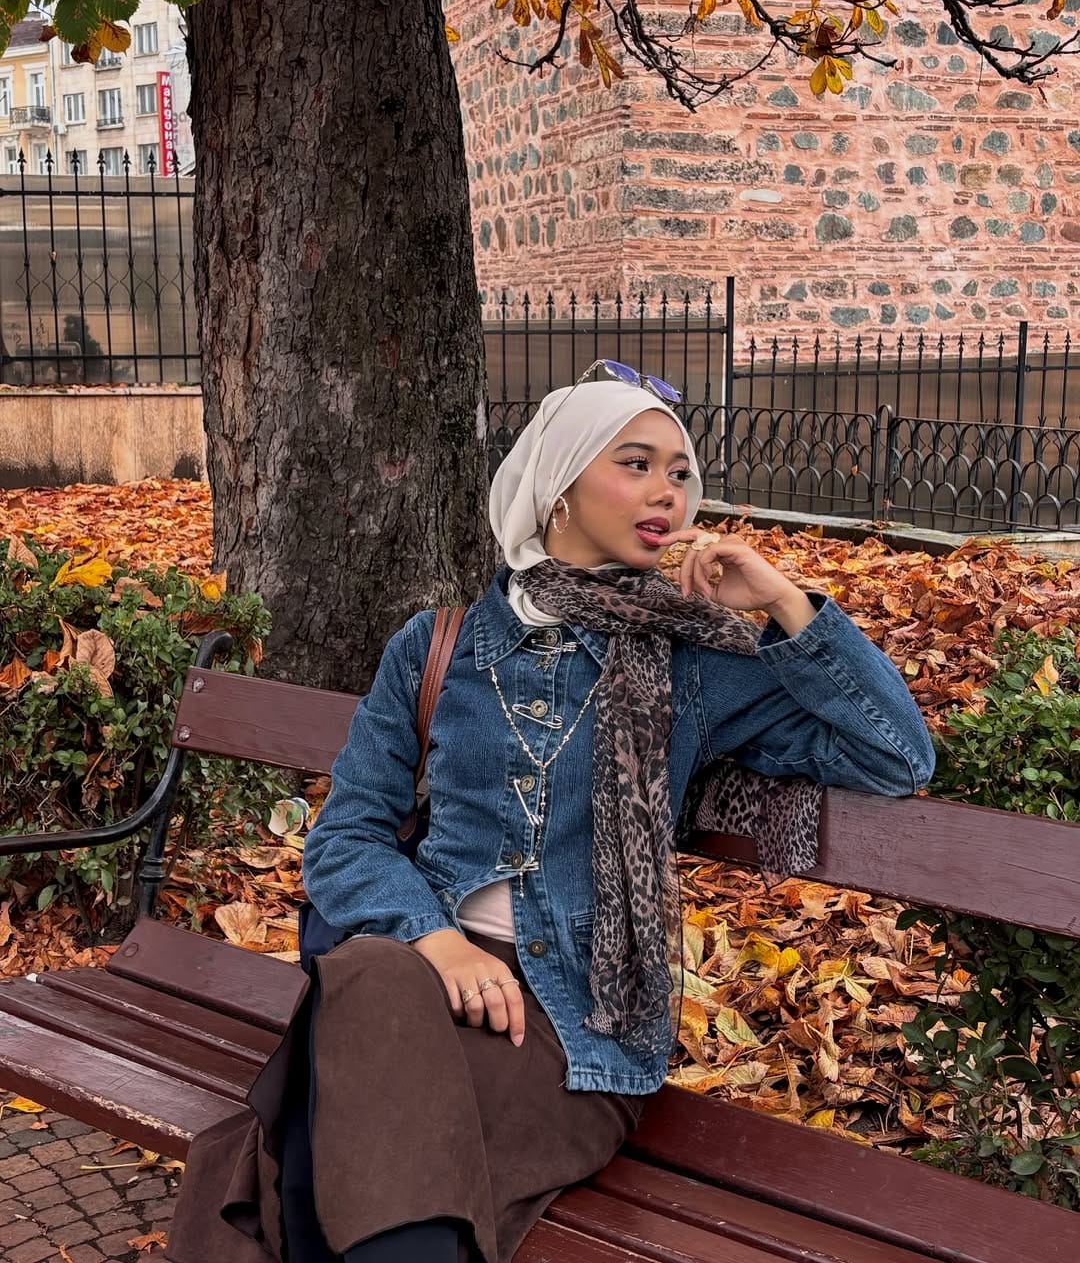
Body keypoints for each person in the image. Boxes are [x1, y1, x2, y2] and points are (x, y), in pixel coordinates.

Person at [166, 365, 935, 1263]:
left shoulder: (692, 662)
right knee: (373, 984)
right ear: (559, 487)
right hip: (419, 977)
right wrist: (437, 940)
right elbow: (346, 839)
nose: (667, 491)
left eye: (680, 472)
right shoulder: (438, 646)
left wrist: (785, 602)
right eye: (636, 464)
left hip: (573, 1025)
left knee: (324, 1117)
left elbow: (895, 756)